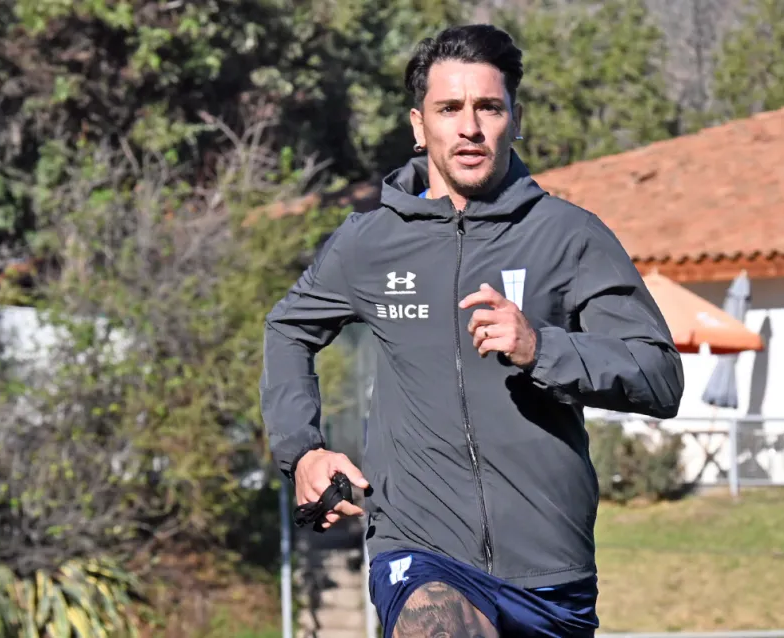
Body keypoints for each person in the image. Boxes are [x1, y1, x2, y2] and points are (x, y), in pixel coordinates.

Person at [260, 23, 684, 638]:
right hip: (419, 545)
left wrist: (544, 348)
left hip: (550, 571)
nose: (469, 126)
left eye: (488, 106)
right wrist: (302, 449)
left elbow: (660, 376)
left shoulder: (569, 235)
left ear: (516, 117)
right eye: (449, 108)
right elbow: (287, 330)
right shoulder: (368, 243)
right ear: (418, 124)